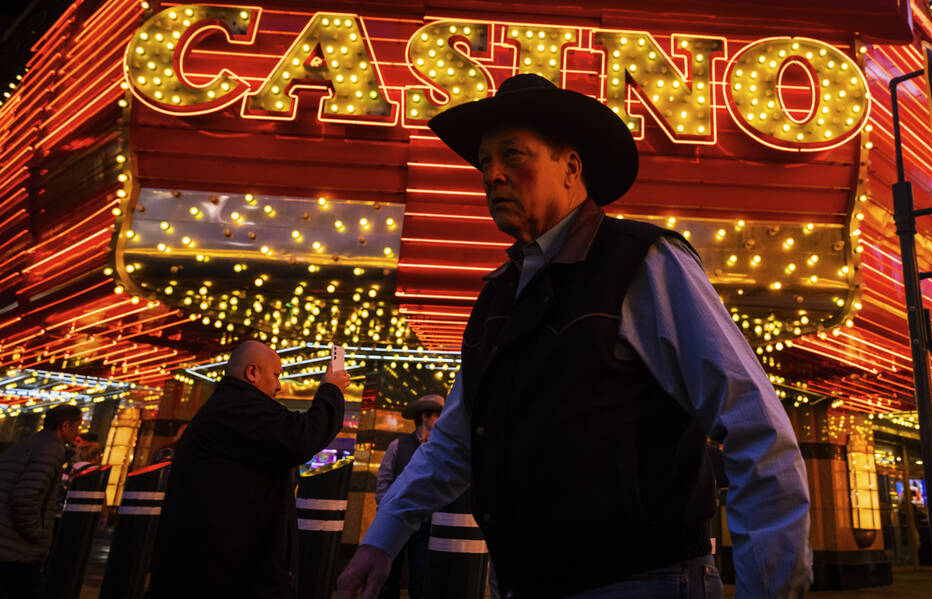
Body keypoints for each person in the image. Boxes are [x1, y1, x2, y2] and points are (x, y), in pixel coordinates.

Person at [337, 73, 811, 599]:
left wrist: (770, 589)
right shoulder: (498, 295)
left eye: (513, 156)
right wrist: (381, 540)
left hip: (640, 584)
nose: (492, 174)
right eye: (484, 161)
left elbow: (754, 426)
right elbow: (456, 441)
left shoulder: (642, 261)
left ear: (571, 168)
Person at [149, 340, 349, 599]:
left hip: (220, 568)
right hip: (223, 575)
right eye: (276, 375)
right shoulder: (236, 408)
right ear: (252, 372)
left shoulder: (229, 407)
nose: (278, 386)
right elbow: (301, 437)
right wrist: (330, 390)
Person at [0, 404, 82, 599]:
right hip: (18, 547)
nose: (78, 432)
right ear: (64, 426)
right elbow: (26, 496)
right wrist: (36, 533)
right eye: (77, 426)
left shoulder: (28, 443)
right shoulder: (52, 450)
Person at [375, 394, 443, 599]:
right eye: (439, 415)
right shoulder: (398, 446)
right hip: (396, 519)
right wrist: (386, 513)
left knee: (421, 578)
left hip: (425, 523)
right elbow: (383, 481)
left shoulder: (441, 450)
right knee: (388, 577)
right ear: (425, 416)